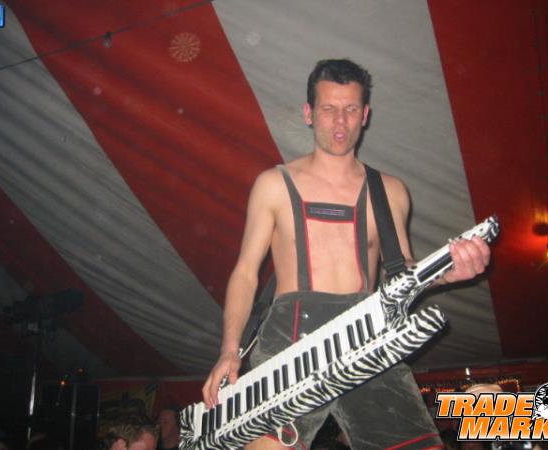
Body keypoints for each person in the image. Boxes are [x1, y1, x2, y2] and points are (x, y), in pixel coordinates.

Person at [202, 59, 491, 449]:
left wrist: (446, 272)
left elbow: (401, 270)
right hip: (291, 332)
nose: (340, 121)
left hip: (367, 331)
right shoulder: (274, 184)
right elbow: (245, 272)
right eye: (329, 108)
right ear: (309, 113)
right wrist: (229, 351)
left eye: (351, 109)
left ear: (365, 115)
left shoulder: (390, 190)